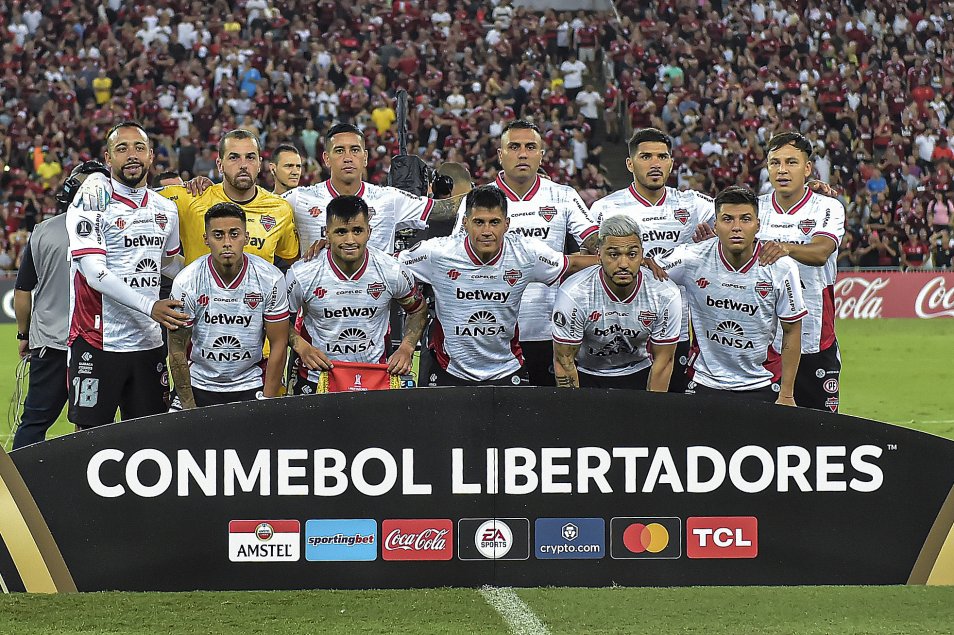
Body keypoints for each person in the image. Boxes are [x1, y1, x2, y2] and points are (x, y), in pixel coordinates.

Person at [451, 120, 600, 386]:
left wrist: (609, 248)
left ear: (541, 154)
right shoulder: (477, 200)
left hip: (553, 329)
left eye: (530, 147)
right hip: (493, 332)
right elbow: (455, 257)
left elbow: (594, 238)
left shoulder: (563, 196)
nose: (522, 154)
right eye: (514, 147)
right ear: (500, 155)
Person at [400, 185, 597, 386]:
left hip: (507, 369)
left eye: (494, 222)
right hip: (450, 370)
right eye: (479, 222)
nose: (487, 231)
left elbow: (570, 264)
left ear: (507, 224)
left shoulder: (525, 253)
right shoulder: (438, 253)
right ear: (465, 223)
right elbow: (390, 267)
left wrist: (615, 263)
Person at [66, 121, 187, 428]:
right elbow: (94, 273)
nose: (131, 155)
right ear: (108, 159)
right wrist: (151, 307)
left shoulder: (165, 209)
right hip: (98, 342)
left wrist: (212, 276)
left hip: (148, 342)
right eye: (121, 149)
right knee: (89, 439)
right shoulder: (90, 201)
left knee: (149, 440)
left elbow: (170, 265)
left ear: (151, 157)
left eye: (139, 148)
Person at [589, 128, 715, 395]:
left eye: (662, 156)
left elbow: (744, 214)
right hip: (625, 329)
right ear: (630, 163)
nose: (655, 163)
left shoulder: (692, 203)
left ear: (671, 163)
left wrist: (808, 190)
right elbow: (591, 262)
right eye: (646, 156)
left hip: (678, 328)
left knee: (674, 413)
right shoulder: (605, 208)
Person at [660, 186, 806, 405]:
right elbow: (646, 274)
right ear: (715, 225)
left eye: (745, 219)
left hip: (762, 382)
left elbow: (792, 329)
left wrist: (786, 394)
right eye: (727, 219)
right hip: (704, 381)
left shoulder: (781, 267)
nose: (736, 227)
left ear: (758, 225)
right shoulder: (691, 258)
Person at [12, 161, 111, 448]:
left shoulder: (42, 231)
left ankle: (17, 488)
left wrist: (23, 333)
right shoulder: (114, 231)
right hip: (98, 341)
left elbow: (22, 290)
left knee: (34, 420)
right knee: (94, 424)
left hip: (51, 341)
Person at [285, 195, 427, 394]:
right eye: (341, 232)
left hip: (374, 375)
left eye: (357, 231)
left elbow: (418, 310)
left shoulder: (391, 270)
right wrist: (301, 346)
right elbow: (277, 319)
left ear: (369, 232)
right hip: (316, 378)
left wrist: (406, 347)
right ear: (327, 233)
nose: (350, 240)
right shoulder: (302, 274)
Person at [756, 132, 846, 413]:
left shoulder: (827, 206)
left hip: (816, 338)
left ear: (807, 169)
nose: (782, 170)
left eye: (791, 162)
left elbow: (820, 252)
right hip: (765, 343)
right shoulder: (753, 210)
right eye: (775, 162)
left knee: (823, 432)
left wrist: (782, 248)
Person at [168, 203, 290, 408]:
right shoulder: (187, 280)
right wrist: (190, 409)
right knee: (177, 438)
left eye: (234, 234)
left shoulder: (270, 278)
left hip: (251, 382)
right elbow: (177, 349)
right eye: (218, 235)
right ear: (206, 239)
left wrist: (267, 402)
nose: (227, 242)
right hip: (200, 384)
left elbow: (278, 342)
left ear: (246, 237)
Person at [282, 123, 466, 255]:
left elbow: (444, 210)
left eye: (355, 150)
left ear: (365, 157)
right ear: (326, 158)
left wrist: (491, 190)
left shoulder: (389, 199)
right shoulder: (299, 199)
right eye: (339, 151)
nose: (348, 157)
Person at [552, 215, 681, 390]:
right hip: (587, 374)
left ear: (642, 255)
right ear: (598, 255)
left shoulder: (666, 293)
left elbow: (664, 361)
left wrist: (652, 412)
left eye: (632, 254)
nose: (623, 264)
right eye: (613, 254)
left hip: (638, 371)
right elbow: (564, 361)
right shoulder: (573, 293)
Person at [159, 129, 299, 266]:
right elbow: (140, 196)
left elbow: (294, 261)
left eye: (250, 157)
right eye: (234, 157)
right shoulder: (192, 197)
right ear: (220, 165)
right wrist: (175, 270)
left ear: (259, 164)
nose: (243, 165)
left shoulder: (280, 209)